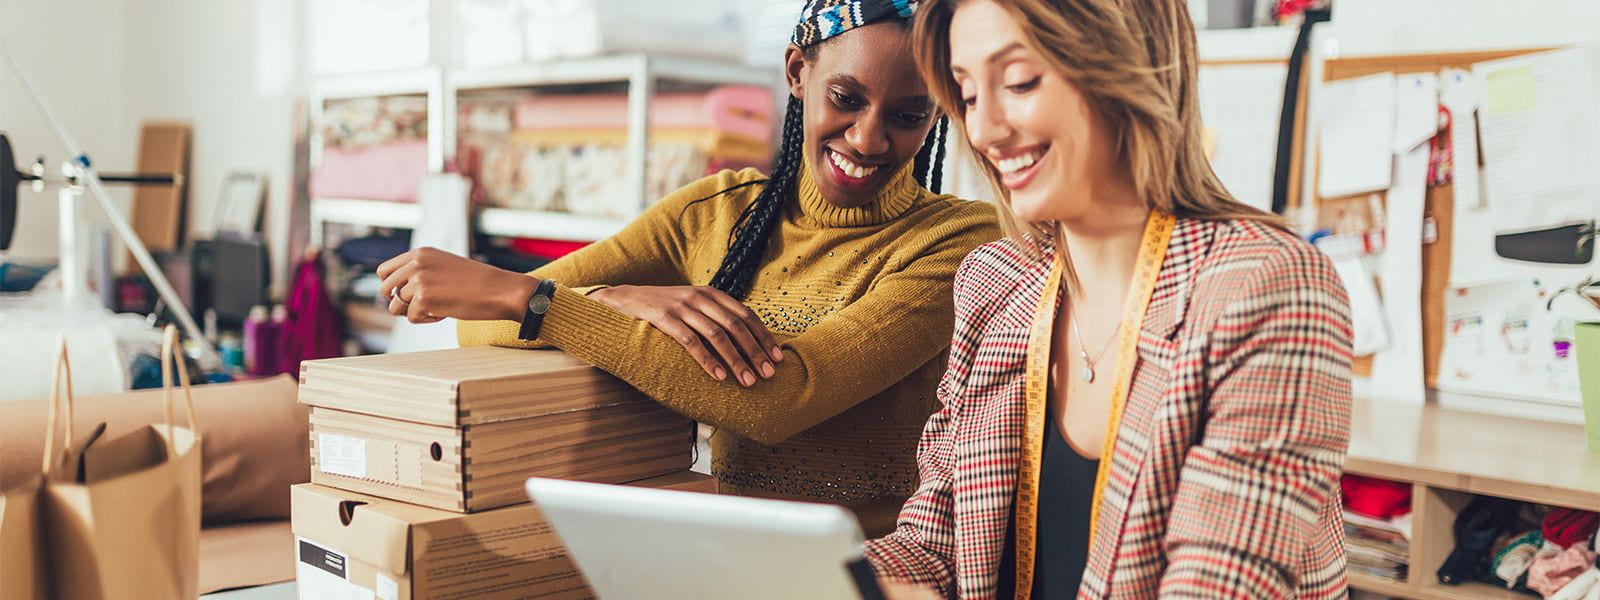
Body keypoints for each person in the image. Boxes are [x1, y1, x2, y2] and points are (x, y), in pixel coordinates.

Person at [374, 0, 1000, 537]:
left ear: (937, 113)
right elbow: (479, 324)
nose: (868, 139)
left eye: (908, 115)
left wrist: (545, 303)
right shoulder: (718, 210)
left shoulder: (956, 242)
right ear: (797, 73)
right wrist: (616, 297)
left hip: (870, 573)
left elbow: (785, 397)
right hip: (715, 553)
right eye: (846, 98)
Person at [865, 0, 1353, 597]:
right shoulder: (995, 283)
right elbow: (934, 546)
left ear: (1122, 67)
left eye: (1019, 81)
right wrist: (837, 579)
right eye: (967, 96)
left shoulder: (1267, 288)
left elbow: (1216, 585)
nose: (984, 128)